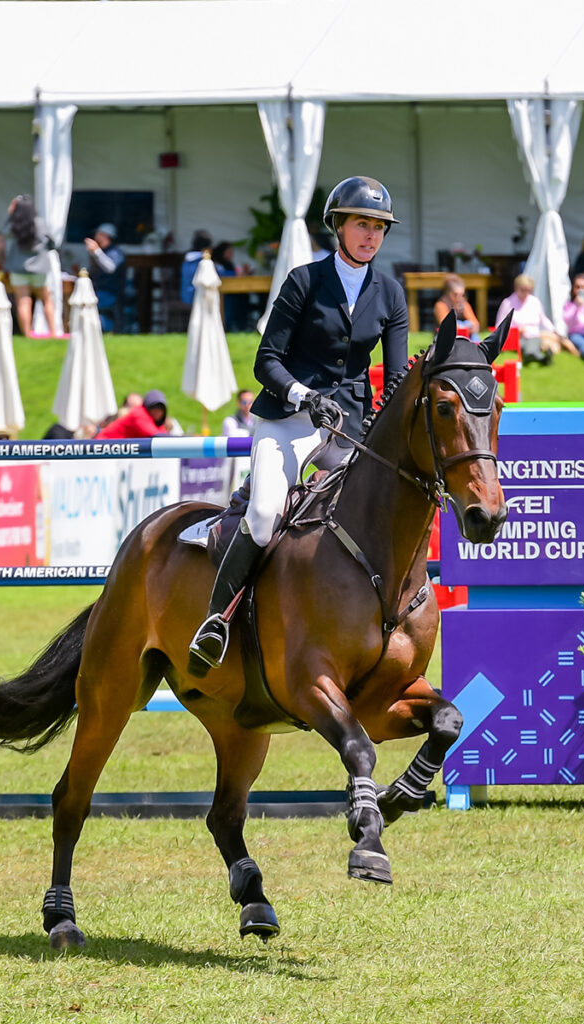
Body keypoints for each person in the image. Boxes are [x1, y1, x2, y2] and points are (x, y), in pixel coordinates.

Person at [189, 175, 408, 675]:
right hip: (290, 419)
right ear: (338, 226)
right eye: (362, 224)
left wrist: (384, 429)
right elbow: (266, 361)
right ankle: (216, 622)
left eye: (379, 227)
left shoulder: (391, 294)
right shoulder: (304, 281)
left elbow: (396, 379)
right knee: (266, 511)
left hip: (351, 428)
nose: (371, 235)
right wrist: (305, 396)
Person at [4, 194, 56, 337]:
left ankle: (27, 334)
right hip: (39, 268)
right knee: (46, 300)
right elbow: (51, 241)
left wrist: (11, 213)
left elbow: (3, 233)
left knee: (23, 302)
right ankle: (53, 332)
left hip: (19, 268)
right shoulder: (39, 222)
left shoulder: (14, 224)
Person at [494, 274, 564, 365]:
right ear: (516, 288)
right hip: (516, 336)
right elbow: (499, 325)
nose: (526, 293)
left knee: (537, 340)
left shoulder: (535, 301)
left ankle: (533, 355)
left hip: (534, 334)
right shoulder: (507, 303)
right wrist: (516, 330)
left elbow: (543, 319)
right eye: (523, 290)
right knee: (530, 342)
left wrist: (553, 330)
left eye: (529, 290)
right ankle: (539, 357)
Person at [84, 223, 126, 332]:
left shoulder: (115, 252)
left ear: (105, 236)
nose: (95, 237)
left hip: (110, 293)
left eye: (98, 234)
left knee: (85, 302)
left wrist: (96, 251)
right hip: (98, 291)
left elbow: (110, 268)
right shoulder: (102, 252)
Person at [95, 388, 170, 438]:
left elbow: (163, 435)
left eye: (160, 408)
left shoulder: (156, 422)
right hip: (104, 446)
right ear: (147, 407)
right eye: (153, 407)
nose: (157, 411)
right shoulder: (139, 414)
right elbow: (155, 435)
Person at [434, 273, 479, 341]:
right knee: (460, 323)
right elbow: (446, 325)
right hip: (446, 336)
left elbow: (475, 323)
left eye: (462, 295)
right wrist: (462, 328)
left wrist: (471, 328)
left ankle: (476, 345)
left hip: (464, 334)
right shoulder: (441, 305)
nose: (459, 298)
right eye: (455, 294)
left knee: (468, 324)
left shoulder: (464, 304)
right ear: (448, 293)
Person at [212, 240, 246, 331]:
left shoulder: (228, 263)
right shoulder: (217, 263)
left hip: (232, 291)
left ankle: (240, 324)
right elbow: (221, 274)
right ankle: (229, 326)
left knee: (243, 296)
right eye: (229, 252)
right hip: (222, 293)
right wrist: (236, 274)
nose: (231, 254)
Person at [180, 230, 212, 304]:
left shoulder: (187, 261)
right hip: (196, 298)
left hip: (186, 297)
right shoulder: (201, 262)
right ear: (205, 249)